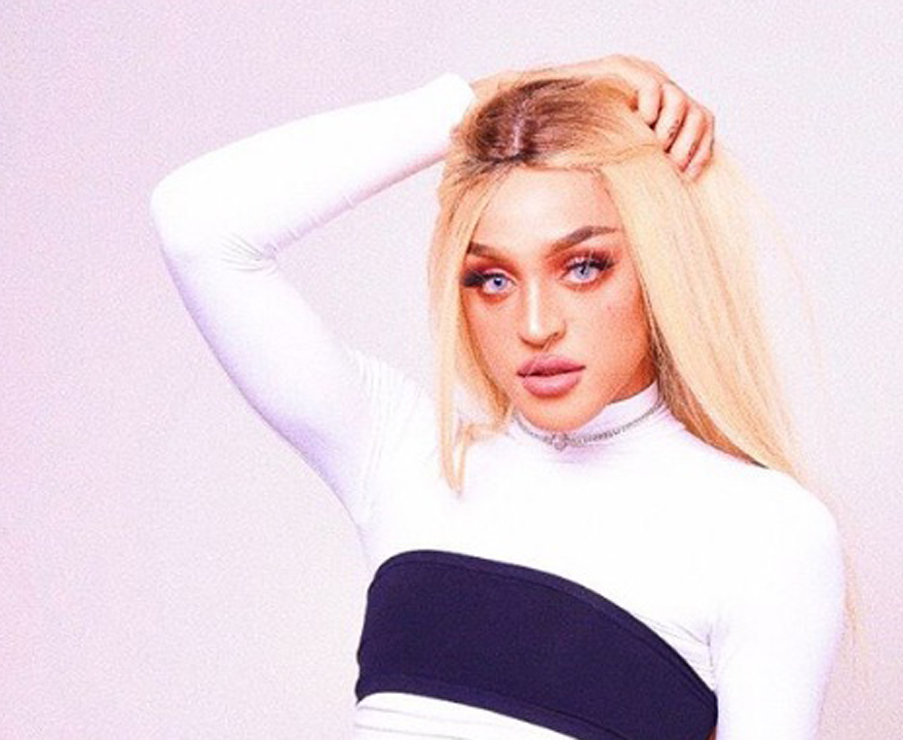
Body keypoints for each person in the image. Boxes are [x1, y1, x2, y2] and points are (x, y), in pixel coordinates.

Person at [150, 55, 845, 740]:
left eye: (583, 267)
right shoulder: (407, 459)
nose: (536, 325)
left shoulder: (765, 532)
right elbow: (198, 224)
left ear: (658, 266)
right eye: (493, 279)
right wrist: (492, 104)